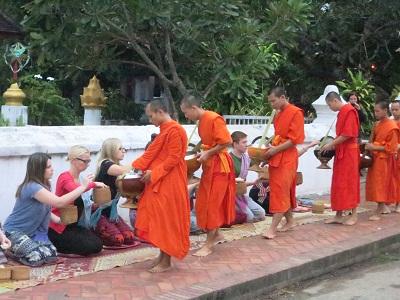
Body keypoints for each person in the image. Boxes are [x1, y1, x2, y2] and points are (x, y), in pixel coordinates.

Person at [3, 152, 93, 267]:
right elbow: (59, 202)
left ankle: (22, 250)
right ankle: (11, 253)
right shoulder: (32, 187)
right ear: (39, 169)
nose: (52, 169)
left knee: (51, 255)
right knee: (36, 258)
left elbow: (46, 210)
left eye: (51, 166)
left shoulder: (44, 186)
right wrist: (83, 187)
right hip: (14, 232)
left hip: (33, 234)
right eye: (48, 167)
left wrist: (59, 220)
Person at [132, 100, 190, 272]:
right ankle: (162, 255)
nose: (150, 120)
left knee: (166, 219)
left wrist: (154, 173)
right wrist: (133, 167)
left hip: (170, 181)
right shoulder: (164, 131)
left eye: (151, 116)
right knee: (158, 218)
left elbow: (174, 158)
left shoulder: (176, 130)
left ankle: (166, 261)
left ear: (160, 112)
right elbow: (152, 154)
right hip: (159, 180)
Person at [180, 95, 235, 256]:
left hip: (220, 167)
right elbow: (208, 143)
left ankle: (209, 244)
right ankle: (216, 234)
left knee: (212, 204)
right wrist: (199, 153)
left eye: (186, 112)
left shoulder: (213, 118)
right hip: (210, 166)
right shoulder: (201, 122)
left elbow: (226, 142)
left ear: (194, 108)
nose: (186, 116)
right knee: (204, 201)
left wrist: (208, 153)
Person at [263, 87, 305, 239]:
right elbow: (277, 136)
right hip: (277, 155)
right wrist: (270, 149)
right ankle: (290, 221)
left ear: (282, 97)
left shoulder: (296, 113)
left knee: (281, 190)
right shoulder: (278, 114)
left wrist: (275, 150)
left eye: (273, 101)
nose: (272, 105)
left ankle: (272, 229)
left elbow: (294, 140)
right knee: (280, 190)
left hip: (287, 157)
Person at [48, 146, 104, 256]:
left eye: (89, 161)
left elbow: (83, 191)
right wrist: (94, 184)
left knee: (98, 244)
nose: (87, 164)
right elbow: (75, 189)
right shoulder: (64, 177)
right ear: (73, 160)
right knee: (90, 246)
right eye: (84, 161)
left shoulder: (81, 179)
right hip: (59, 228)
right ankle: (59, 249)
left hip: (73, 226)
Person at [321, 91, 360, 225]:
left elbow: (348, 134)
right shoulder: (342, 112)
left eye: (329, 105)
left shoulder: (349, 111)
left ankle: (354, 215)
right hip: (341, 152)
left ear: (334, 101)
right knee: (338, 183)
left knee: (350, 182)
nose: (330, 108)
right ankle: (338, 214)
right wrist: (333, 145)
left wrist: (331, 144)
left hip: (349, 153)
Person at [94, 138, 136, 246]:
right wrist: (143, 160)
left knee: (129, 236)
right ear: (111, 150)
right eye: (120, 148)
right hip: (99, 214)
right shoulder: (105, 164)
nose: (123, 151)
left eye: (123, 149)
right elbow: (124, 170)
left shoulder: (116, 166)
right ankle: (94, 230)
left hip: (111, 214)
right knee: (117, 239)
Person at [365, 101, 400, 220]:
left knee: (381, 184)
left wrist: (374, 147)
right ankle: (381, 207)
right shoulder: (377, 124)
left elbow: (392, 148)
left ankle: (379, 210)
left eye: (377, 111)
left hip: (384, 160)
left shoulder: (392, 127)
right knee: (375, 184)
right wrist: (368, 148)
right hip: (375, 158)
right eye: (374, 111)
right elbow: (371, 140)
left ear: (385, 111)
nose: (375, 113)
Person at [230, 131, 265, 223]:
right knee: (249, 217)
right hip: (229, 196)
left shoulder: (246, 158)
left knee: (261, 214)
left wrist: (260, 176)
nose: (247, 145)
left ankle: (238, 214)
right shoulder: (228, 159)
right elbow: (225, 181)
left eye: (247, 142)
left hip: (241, 195)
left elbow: (259, 169)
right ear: (235, 144)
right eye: (244, 142)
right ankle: (226, 214)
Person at [389, 100, 400, 213]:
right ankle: (388, 203)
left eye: (397, 109)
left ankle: (398, 204)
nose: (394, 112)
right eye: (392, 110)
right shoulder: (390, 122)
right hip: (391, 154)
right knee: (390, 179)